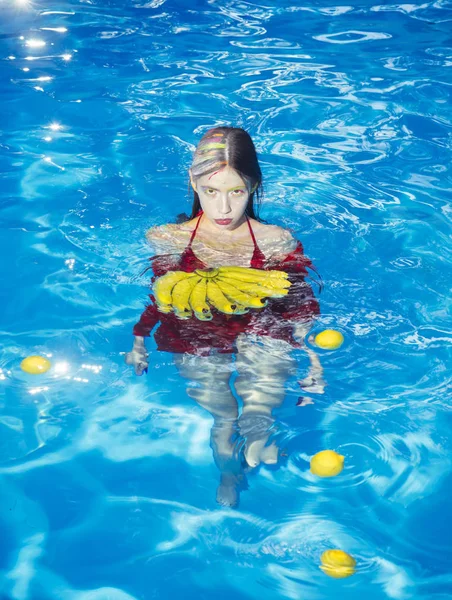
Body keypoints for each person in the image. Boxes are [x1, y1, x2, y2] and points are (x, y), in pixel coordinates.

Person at [125, 127, 324, 507]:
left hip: (261, 325)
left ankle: (259, 440)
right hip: (193, 327)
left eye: (236, 192)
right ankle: (230, 474)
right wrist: (139, 340)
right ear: (193, 182)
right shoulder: (169, 238)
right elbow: (162, 296)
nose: (223, 208)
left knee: (259, 402)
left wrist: (312, 356)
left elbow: (299, 302)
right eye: (211, 191)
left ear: (254, 185)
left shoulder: (274, 240)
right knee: (223, 414)